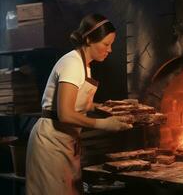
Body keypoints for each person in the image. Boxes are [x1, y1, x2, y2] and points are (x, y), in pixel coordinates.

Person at [26, 13, 132, 195]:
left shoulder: (85, 65)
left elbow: (78, 103)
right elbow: (65, 113)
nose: (110, 50)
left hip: (66, 143)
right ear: (89, 39)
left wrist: (103, 107)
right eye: (106, 44)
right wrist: (102, 124)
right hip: (50, 144)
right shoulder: (72, 63)